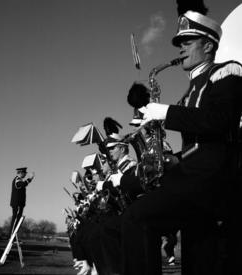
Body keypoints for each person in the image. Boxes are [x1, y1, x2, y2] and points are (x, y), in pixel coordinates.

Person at [123, 9, 242, 275]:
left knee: (137, 217)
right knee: (199, 260)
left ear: (208, 45)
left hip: (213, 181)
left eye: (187, 43)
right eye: (179, 44)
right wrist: (171, 159)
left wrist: (166, 113)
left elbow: (221, 120)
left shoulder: (227, 72)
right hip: (192, 180)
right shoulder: (190, 90)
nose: (181, 49)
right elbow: (197, 143)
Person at [9, 167, 35, 238]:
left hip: (20, 204)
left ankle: (13, 236)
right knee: (15, 219)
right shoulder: (17, 179)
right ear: (21, 173)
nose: (25, 175)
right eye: (24, 173)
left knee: (17, 219)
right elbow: (22, 184)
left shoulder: (19, 179)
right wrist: (30, 179)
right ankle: (11, 236)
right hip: (17, 203)